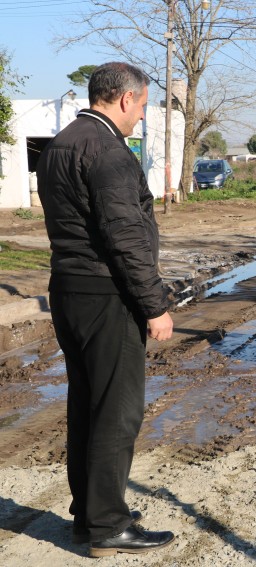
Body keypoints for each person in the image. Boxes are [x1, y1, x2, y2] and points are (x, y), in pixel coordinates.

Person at [37, 62, 175, 557]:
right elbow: (126, 239)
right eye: (141, 105)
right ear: (124, 99)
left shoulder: (62, 144)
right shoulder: (110, 153)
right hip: (105, 294)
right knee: (116, 411)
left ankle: (89, 515)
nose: (141, 115)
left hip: (69, 290)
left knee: (87, 404)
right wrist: (154, 305)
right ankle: (108, 525)